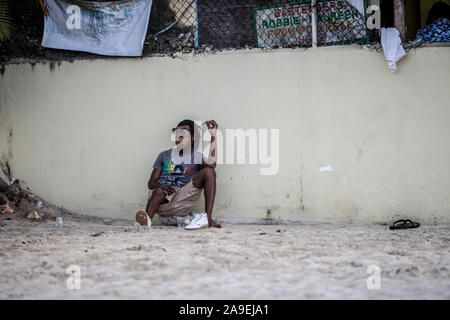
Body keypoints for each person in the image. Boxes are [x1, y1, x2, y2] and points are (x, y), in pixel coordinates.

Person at [136, 119, 221, 230]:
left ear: (193, 137)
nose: (179, 136)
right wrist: (161, 186)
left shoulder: (197, 157)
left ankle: (207, 218)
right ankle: (146, 222)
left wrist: (213, 136)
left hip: (183, 200)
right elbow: (151, 183)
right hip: (162, 200)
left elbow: (212, 164)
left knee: (209, 171)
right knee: (158, 192)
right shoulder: (164, 155)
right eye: (177, 133)